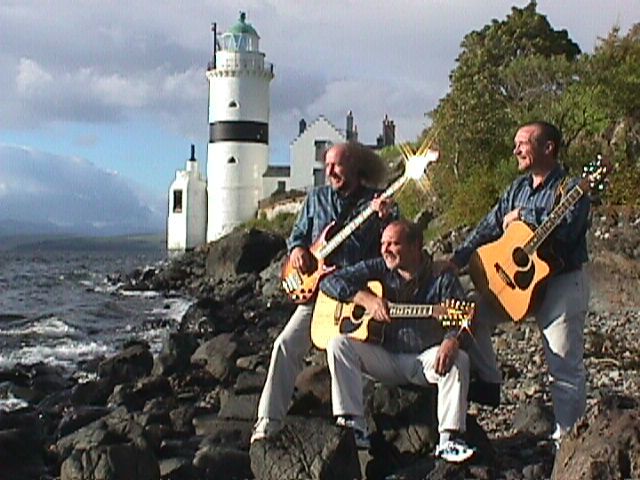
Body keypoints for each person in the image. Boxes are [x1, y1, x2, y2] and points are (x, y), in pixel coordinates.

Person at [444, 121, 591, 446]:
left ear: (548, 147)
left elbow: (566, 236)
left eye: (523, 142)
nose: (516, 150)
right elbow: (489, 224)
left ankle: (567, 443)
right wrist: (457, 259)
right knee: (469, 315)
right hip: (513, 284)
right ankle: (491, 380)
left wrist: (524, 217)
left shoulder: (572, 188)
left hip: (561, 284)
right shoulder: (517, 188)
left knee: (563, 365)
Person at [251, 141, 398, 443]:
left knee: (345, 352)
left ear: (356, 168)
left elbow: (396, 247)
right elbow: (296, 238)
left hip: (355, 295)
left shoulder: (376, 201)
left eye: (337, 165)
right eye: (327, 166)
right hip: (317, 292)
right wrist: (296, 252)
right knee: (284, 345)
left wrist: (386, 218)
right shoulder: (317, 199)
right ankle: (268, 422)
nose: (330, 171)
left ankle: (355, 428)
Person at [322, 220, 476, 463]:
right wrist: (365, 299)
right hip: (384, 356)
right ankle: (353, 425)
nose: (385, 249)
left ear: (416, 246)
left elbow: (464, 320)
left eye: (393, 243)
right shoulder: (379, 268)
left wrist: (452, 340)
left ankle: (449, 439)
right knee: (338, 344)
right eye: (383, 243)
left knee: (460, 360)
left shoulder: (441, 278)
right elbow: (329, 282)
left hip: (423, 360)